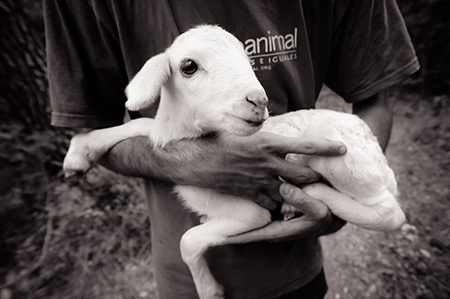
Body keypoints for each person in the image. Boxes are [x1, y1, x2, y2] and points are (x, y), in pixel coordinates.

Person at [43, 1, 419, 298]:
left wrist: (334, 201)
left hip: (297, 268)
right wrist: (191, 162)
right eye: (189, 67)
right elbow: (106, 120)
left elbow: (374, 93)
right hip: (179, 279)